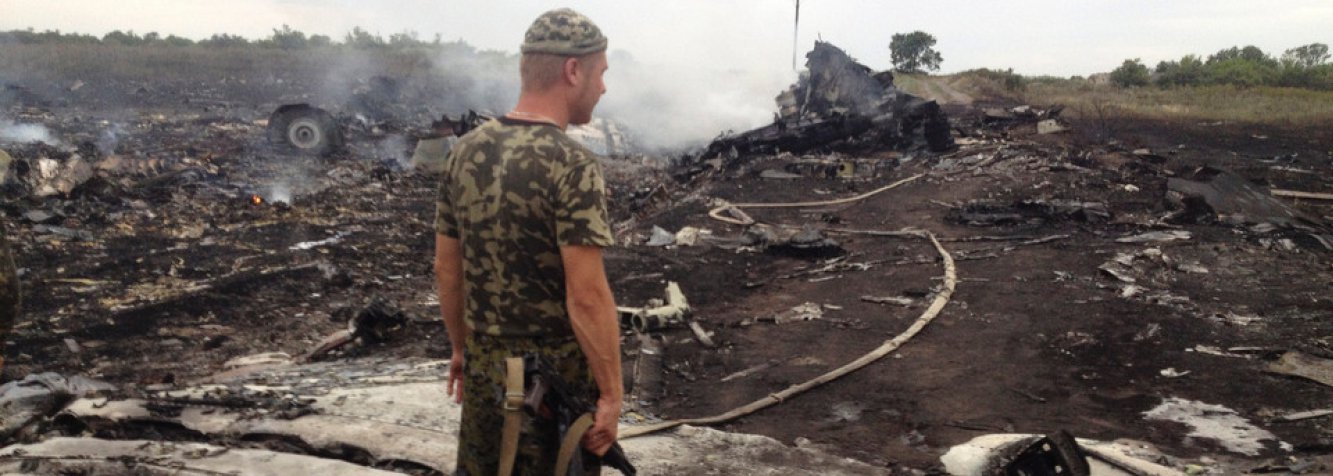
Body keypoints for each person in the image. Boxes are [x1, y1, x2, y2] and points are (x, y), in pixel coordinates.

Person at [433, 8, 621, 475]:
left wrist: (460, 350)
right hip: (549, 390)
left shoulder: (464, 153)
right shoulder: (573, 165)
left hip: (483, 374)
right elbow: (588, 297)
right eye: (600, 73)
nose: (603, 87)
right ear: (572, 71)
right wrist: (612, 394)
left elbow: (447, 270)